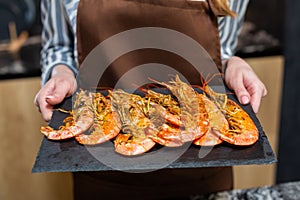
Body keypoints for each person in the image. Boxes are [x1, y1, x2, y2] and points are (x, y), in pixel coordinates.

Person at [34, 0, 267, 199]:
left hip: (205, 174)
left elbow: (221, 50)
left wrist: (231, 64)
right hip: (102, 175)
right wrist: (61, 72)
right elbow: (59, 48)